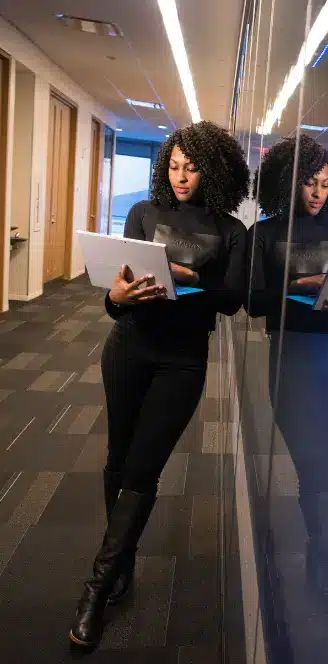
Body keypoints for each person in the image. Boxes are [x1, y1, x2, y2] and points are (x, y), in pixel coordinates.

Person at [69, 121, 250, 648]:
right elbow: (116, 295)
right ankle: (122, 563)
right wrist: (116, 298)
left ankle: (97, 588)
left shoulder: (231, 230)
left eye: (191, 168)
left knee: (143, 469)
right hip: (129, 346)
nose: (180, 176)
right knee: (118, 457)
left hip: (183, 360)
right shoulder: (143, 213)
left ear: (212, 170)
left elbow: (232, 300)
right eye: (173, 166)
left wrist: (191, 278)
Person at [247, 134, 328, 634]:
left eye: (324, 183)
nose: (318, 193)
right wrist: (293, 287)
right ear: (288, 181)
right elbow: (252, 303)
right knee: (314, 466)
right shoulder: (265, 233)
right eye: (308, 182)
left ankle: (320, 563)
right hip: (291, 361)